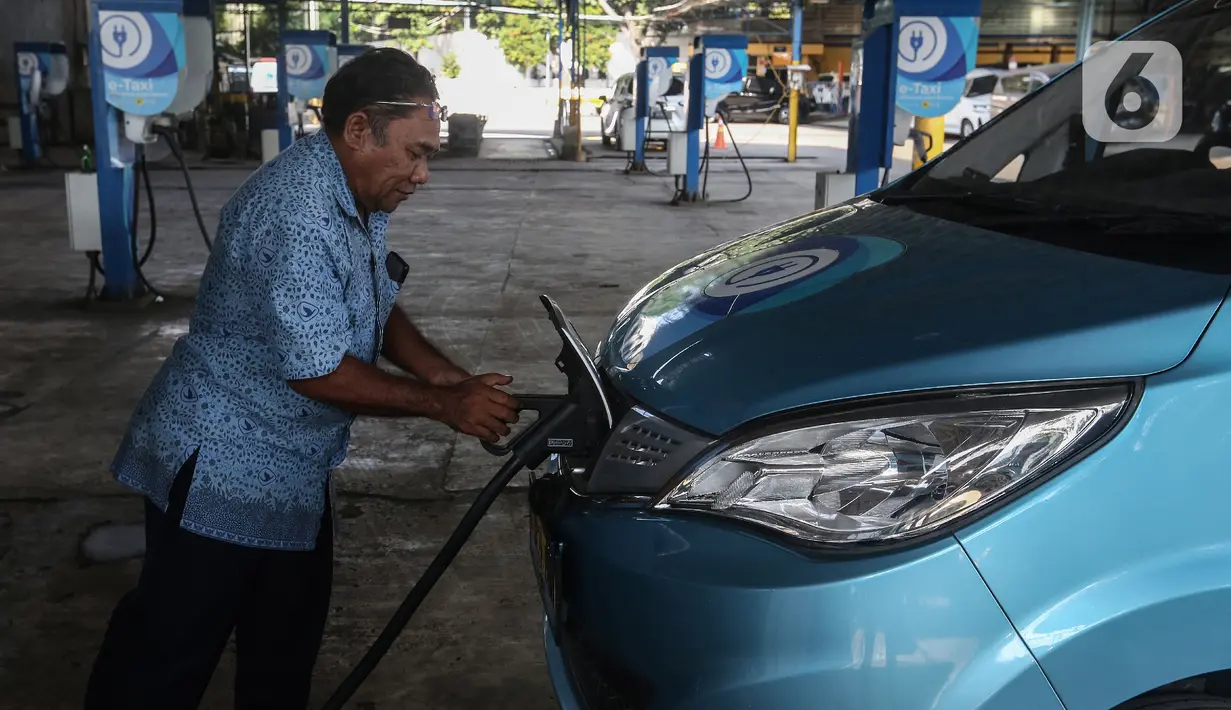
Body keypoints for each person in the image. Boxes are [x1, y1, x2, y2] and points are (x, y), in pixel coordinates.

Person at [83, 48, 519, 709]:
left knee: (283, 646)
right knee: (168, 652)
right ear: (356, 130)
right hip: (219, 465)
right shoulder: (294, 213)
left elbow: (373, 298)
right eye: (414, 153)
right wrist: (442, 403)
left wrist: (450, 378)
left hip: (288, 472)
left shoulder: (356, 193)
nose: (422, 174)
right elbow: (317, 370)